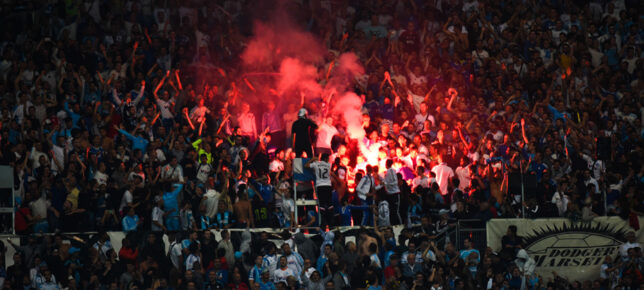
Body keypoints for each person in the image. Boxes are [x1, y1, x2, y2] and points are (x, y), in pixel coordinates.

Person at [305, 153, 334, 227]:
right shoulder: (329, 165)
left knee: (321, 205)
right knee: (329, 204)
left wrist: (312, 159)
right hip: (328, 185)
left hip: (320, 186)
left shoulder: (316, 164)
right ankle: (330, 222)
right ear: (326, 159)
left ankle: (323, 222)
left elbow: (306, 166)